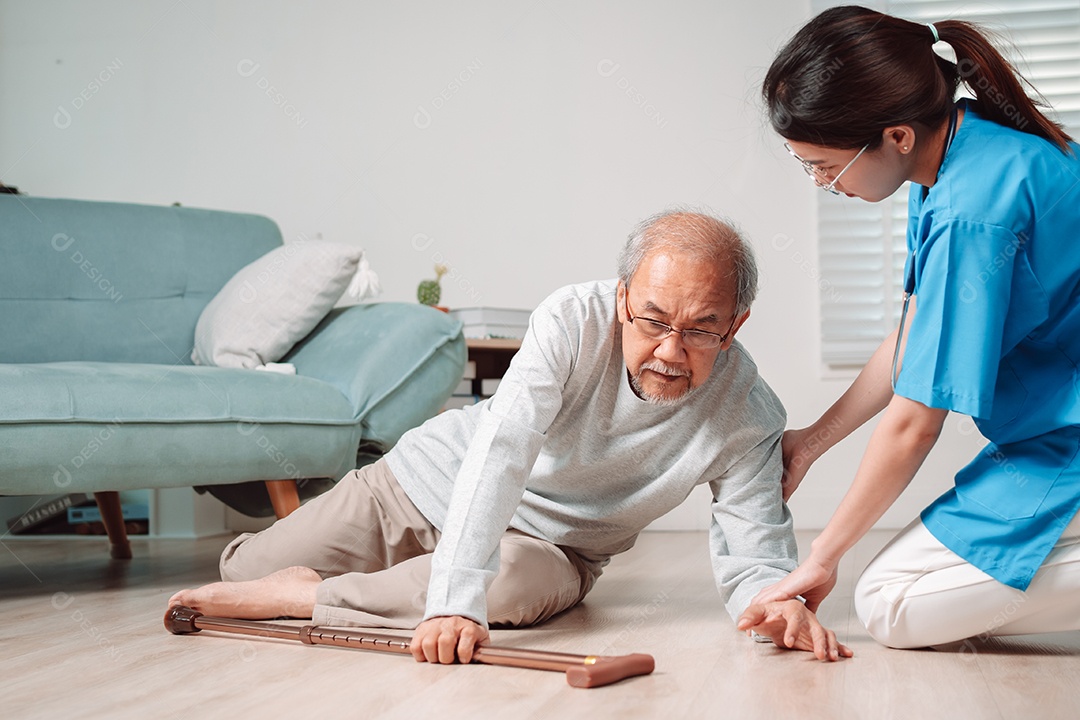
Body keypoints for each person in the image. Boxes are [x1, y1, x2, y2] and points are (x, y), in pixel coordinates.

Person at [170, 209, 852, 663]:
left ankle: (303, 598)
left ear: (735, 324)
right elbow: (504, 449)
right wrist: (451, 592)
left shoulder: (747, 412)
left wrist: (776, 605)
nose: (671, 350)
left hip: (549, 548)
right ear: (622, 300)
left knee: (506, 593)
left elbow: (754, 547)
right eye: (652, 320)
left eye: (701, 328)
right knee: (239, 571)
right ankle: (315, 582)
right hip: (415, 488)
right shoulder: (571, 319)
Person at [749, 5, 1080, 649]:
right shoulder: (963, 148)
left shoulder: (971, 211)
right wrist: (812, 442)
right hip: (1051, 437)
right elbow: (913, 341)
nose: (822, 183)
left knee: (887, 604)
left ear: (896, 136)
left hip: (1065, 444)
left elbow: (916, 419)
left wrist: (822, 556)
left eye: (825, 165)